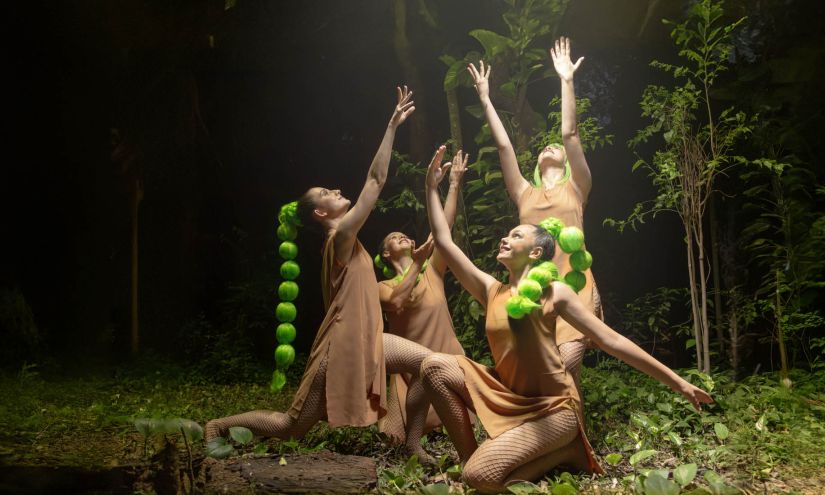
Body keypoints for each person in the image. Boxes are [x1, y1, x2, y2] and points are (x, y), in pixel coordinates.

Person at [420, 147, 714, 493]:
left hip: (554, 409)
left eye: (516, 235)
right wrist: (432, 188)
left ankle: (566, 447)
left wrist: (678, 383)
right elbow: (443, 240)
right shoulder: (491, 289)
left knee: (482, 478)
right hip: (507, 395)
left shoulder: (555, 292)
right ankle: (473, 459)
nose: (505, 237)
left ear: (535, 253)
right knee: (434, 367)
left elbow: (611, 340)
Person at [205, 87, 434, 446]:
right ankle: (217, 426)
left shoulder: (344, 237)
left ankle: (411, 446)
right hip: (341, 348)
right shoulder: (339, 236)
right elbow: (375, 182)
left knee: (428, 367)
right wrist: (391, 126)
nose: (336, 189)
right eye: (328, 192)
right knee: (291, 426)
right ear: (320, 214)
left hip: (370, 341)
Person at [467, 37, 601, 390]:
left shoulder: (577, 188)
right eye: (544, 147)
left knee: (566, 361)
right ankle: (561, 435)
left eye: (554, 147)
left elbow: (569, 134)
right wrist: (485, 99)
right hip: (530, 287)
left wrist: (566, 79)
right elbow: (504, 146)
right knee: (543, 369)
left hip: (573, 281)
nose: (550, 146)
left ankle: (569, 437)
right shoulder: (525, 191)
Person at [375, 148, 469, 462]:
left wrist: (452, 184)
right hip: (409, 373)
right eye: (393, 237)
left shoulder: (433, 270)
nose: (401, 236)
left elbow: (445, 228)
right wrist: (416, 263)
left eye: (404, 234)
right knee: (391, 441)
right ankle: (415, 436)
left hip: (449, 357)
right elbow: (394, 302)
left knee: (463, 422)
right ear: (386, 255)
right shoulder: (383, 286)